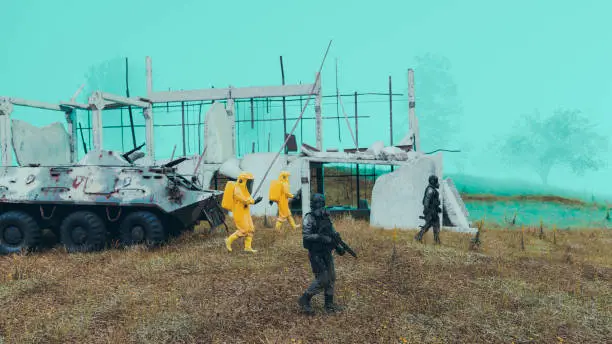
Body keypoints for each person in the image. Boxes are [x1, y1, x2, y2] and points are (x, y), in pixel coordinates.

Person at [298, 193, 345, 315]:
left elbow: (332, 233)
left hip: (326, 252)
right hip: (315, 253)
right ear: (313, 205)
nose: (319, 206)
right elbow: (306, 235)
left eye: (321, 203)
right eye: (317, 203)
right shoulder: (309, 218)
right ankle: (305, 298)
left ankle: (329, 304)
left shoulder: (325, 216)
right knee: (323, 279)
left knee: (332, 277)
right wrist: (320, 237)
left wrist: (338, 246)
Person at [224, 172, 262, 253]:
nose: (250, 184)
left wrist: (253, 201)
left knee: (251, 229)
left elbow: (247, 199)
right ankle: (228, 240)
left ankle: (247, 248)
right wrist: (254, 201)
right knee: (243, 230)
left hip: (245, 212)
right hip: (239, 212)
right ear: (243, 181)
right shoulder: (237, 189)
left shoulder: (244, 190)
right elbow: (244, 200)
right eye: (248, 182)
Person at [414, 174, 442, 244]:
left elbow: (433, 201)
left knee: (430, 225)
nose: (437, 183)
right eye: (436, 181)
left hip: (433, 210)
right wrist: (428, 211)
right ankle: (435, 240)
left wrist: (437, 208)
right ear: (433, 181)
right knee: (433, 225)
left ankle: (419, 237)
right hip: (431, 211)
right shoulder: (430, 190)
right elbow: (426, 201)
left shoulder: (432, 189)